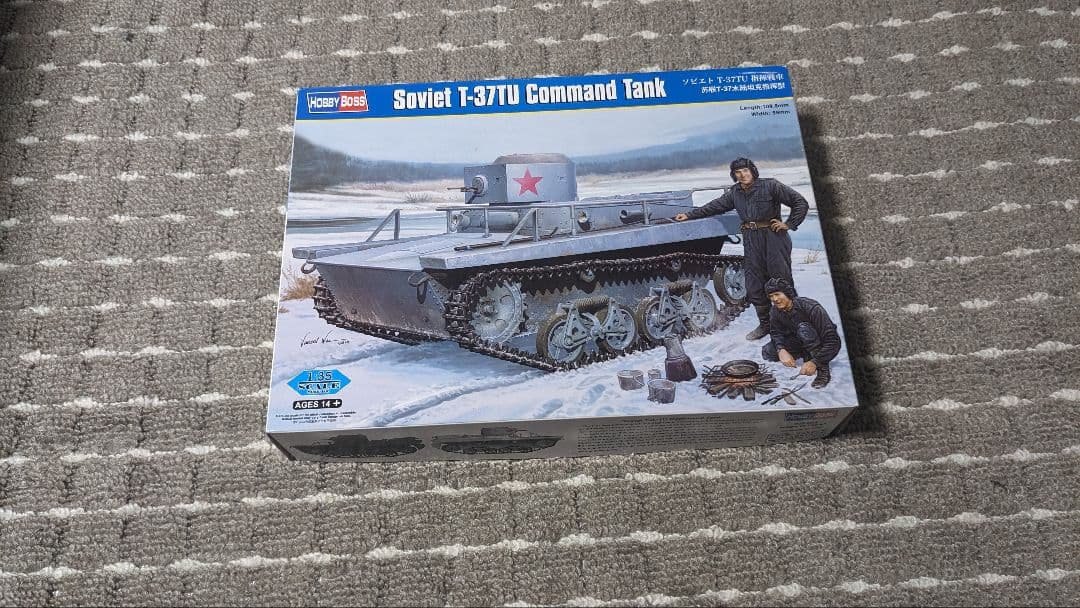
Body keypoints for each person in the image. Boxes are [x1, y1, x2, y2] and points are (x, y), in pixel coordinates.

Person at [674, 157, 809, 340]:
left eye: (745, 170)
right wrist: (689, 215)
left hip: (773, 237)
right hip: (751, 239)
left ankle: (795, 325)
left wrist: (789, 223)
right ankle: (766, 325)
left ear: (752, 170)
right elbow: (714, 206)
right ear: (734, 175)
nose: (742, 175)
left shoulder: (770, 185)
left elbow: (799, 202)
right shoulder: (735, 193)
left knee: (781, 281)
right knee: (754, 284)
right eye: (738, 172)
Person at [760, 277, 839, 389]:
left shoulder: (811, 307)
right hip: (799, 342)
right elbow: (775, 333)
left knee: (803, 330)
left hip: (818, 343)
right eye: (771, 296)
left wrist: (815, 362)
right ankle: (805, 354)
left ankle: (823, 369)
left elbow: (833, 341)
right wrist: (781, 350)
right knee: (768, 351)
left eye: (777, 294)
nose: (775, 299)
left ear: (787, 294)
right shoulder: (775, 310)